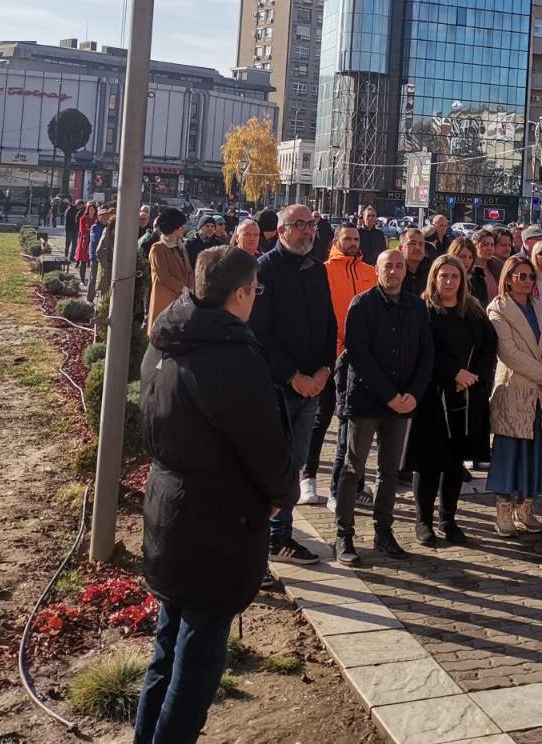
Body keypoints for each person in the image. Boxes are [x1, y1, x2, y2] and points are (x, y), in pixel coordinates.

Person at [135, 246, 294, 744]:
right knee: (198, 660)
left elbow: (150, 419)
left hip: (169, 508)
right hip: (215, 523)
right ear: (242, 293)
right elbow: (263, 441)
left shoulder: (166, 339)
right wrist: (276, 495)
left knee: (168, 646)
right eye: (255, 292)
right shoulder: (228, 354)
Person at [334, 249, 435, 565]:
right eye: (387, 266)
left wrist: (414, 394)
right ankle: (344, 535)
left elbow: (426, 353)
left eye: (399, 266)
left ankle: (383, 532)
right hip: (366, 401)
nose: (393, 271)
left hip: (403, 403)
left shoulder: (417, 306)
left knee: (389, 472)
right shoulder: (362, 304)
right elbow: (358, 355)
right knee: (353, 469)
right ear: (376, 270)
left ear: (406, 271)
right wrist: (389, 395)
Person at [251, 205, 335, 566]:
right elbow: (260, 333)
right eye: (298, 225)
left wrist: (324, 371)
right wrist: (293, 376)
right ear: (282, 230)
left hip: (313, 385)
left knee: (296, 464)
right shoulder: (264, 270)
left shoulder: (317, 269)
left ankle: (281, 537)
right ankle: (269, 539)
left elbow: (330, 324)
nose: (307, 231)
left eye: (311, 224)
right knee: (275, 466)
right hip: (279, 388)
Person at [407, 254, 496, 546]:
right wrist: (452, 373)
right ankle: (423, 521)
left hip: (465, 397)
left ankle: (448, 518)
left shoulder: (473, 311)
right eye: (443, 276)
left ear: (462, 280)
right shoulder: (422, 310)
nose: (448, 281)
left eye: (454, 276)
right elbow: (422, 350)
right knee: (428, 462)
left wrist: (472, 376)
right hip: (432, 396)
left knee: (454, 462)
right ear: (434, 278)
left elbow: (488, 347)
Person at [488, 254, 542, 536]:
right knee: (510, 450)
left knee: (535, 450)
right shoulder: (498, 309)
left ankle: (526, 506)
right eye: (521, 276)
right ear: (508, 278)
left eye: (530, 276)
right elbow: (509, 353)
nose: (527, 281)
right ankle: (504, 508)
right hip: (514, 389)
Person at [305, 225, 375, 507]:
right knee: (322, 418)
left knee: (354, 421)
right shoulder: (322, 271)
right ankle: (308, 476)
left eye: (356, 239)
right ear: (336, 241)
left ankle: (355, 483)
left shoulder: (370, 272)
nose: (353, 243)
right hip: (331, 355)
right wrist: (336, 348)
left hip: (362, 358)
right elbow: (319, 314)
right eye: (348, 239)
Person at [147, 209, 192, 331]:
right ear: (173, 228)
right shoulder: (158, 249)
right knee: (162, 334)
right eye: (181, 226)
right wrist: (183, 288)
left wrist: (191, 290)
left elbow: (188, 270)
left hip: (182, 301)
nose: (183, 229)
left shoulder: (181, 247)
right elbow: (163, 276)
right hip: (164, 300)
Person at [88, 205, 116, 302]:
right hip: (95, 257)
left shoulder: (108, 228)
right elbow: (96, 239)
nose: (105, 218)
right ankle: (90, 299)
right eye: (103, 216)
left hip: (104, 257)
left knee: (103, 279)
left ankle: (102, 300)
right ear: (99, 217)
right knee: (93, 279)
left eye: (107, 216)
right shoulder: (95, 227)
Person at [470, 230, 501, 305]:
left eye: (492, 245)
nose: (490, 248)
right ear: (475, 246)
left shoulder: (497, 265)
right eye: (485, 244)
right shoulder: (469, 268)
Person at [401, 226, 431, 297]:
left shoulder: (432, 270)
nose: (417, 248)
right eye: (412, 243)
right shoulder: (395, 271)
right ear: (401, 248)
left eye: (421, 244)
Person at [75, 201, 98, 283]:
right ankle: (82, 279)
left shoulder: (96, 219)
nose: (92, 211)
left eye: (93, 209)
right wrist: (91, 232)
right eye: (90, 209)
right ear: (87, 210)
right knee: (83, 261)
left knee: (93, 262)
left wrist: (90, 231)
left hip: (94, 241)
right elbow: (83, 230)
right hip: (84, 242)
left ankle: (91, 280)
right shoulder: (83, 218)